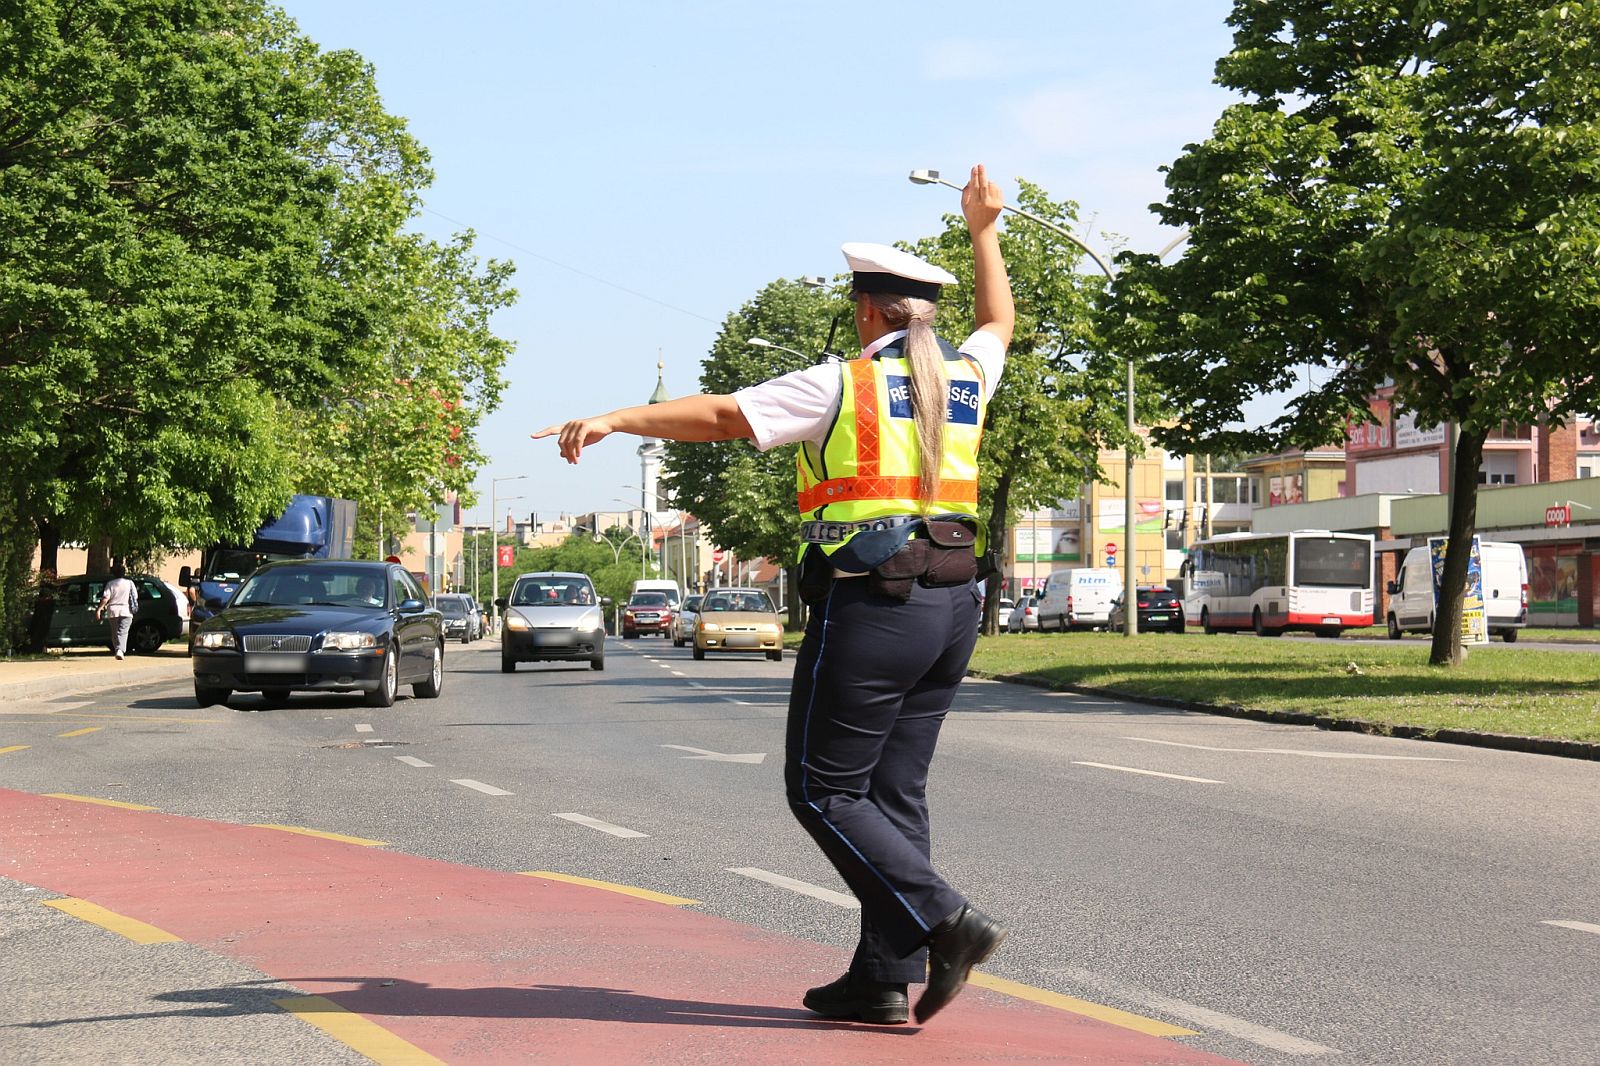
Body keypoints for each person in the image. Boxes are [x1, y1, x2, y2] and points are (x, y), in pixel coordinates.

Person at [534, 165, 1014, 1026]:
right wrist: (984, 230)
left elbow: (722, 417)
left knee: (823, 790)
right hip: (955, 607)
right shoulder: (969, 376)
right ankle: (879, 979)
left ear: (867, 310)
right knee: (893, 793)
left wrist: (615, 418)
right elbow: (998, 320)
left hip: (877, 605)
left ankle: (947, 922)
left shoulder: (843, 384)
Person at [95, 565, 140, 660]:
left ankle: (118, 649)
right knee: (123, 631)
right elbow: (135, 597)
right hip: (126, 610)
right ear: (124, 573)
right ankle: (120, 650)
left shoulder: (110, 584)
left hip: (113, 611)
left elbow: (105, 598)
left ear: (113, 574)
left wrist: (99, 609)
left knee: (115, 632)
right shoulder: (130, 583)